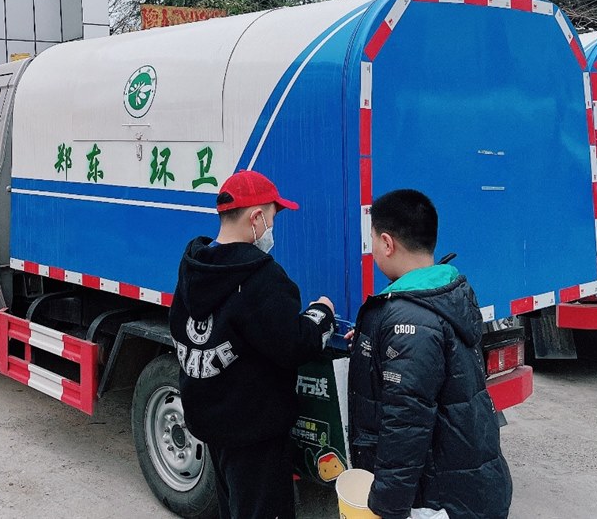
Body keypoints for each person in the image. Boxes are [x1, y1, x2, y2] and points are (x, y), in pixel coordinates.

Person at [169, 169, 336, 519]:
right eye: (273, 218)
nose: (272, 228)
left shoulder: (194, 268)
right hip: (254, 434)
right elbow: (295, 344)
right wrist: (322, 313)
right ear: (256, 218)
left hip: (212, 425)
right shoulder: (261, 278)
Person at [348, 189, 512, 519]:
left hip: (438, 500)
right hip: (469, 483)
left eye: (372, 241)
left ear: (387, 243)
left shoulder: (409, 318)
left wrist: (386, 506)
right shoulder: (446, 290)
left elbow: (405, 424)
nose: (373, 250)